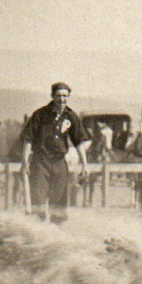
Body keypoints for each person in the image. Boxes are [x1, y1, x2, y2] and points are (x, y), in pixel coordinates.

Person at [21, 82, 89, 225]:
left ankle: (55, 235)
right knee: (38, 202)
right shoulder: (40, 114)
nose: (61, 99)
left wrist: (85, 164)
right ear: (52, 96)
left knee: (59, 205)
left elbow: (79, 141)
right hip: (40, 163)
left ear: (68, 97)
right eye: (58, 95)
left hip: (60, 163)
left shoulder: (71, 116)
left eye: (65, 96)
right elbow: (28, 139)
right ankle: (36, 235)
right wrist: (25, 161)